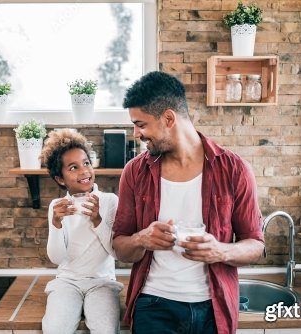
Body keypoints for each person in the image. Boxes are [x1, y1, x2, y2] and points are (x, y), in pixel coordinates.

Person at [112, 71, 265, 334]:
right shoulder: (134, 172)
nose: (137, 133)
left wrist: (221, 250)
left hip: (214, 310)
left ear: (168, 118)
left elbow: (256, 244)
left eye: (141, 124)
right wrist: (141, 239)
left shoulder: (234, 169)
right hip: (154, 307)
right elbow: (119, 247)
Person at [40, 129, 123, 334]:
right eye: (73, 167)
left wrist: (97, 220)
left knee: (106, 330)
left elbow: (116, 252)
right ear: (60, 179)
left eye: (86, 163)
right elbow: (57, 259)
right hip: (67, 282)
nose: (84, 171)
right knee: (54, 329)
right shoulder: (57, 207)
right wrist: (57, 223)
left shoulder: (109, 201)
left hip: (102, 282)